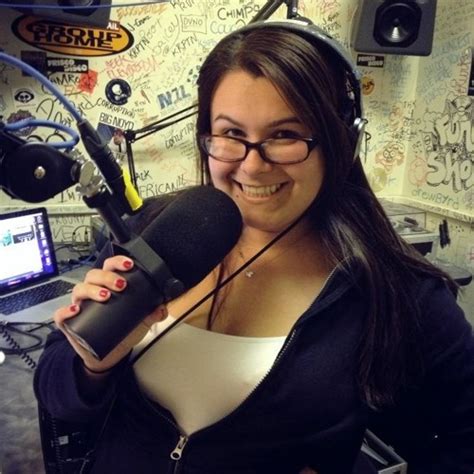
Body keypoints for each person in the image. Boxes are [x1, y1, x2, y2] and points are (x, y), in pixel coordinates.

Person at [34, 18, 474, 474]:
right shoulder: (152, 228)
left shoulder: (399, 291)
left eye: (285, 135)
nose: (252, 166)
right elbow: (56, 396)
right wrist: (94, 366)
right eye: (230, 134)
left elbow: (463, 442)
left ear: (341, 143)